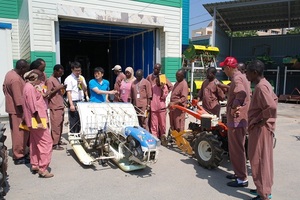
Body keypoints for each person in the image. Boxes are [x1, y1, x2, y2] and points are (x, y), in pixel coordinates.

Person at [246, 60, 278, 200]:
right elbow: (274, 100)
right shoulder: (264, 84)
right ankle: (262, 189)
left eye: (247, 71)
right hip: (262, 128)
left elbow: (271, 107)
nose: (246, 74)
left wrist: (260, 121)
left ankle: (264, 194)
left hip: (260, 130)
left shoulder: (261, 87)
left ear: (255, 73)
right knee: (262, 159)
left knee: (259, 159)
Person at [219, 56, 251, 188]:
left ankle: (242, 179)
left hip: (237, 120)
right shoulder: (241, 76)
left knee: (237, 149)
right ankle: (238, 173)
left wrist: (234, 107)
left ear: (229, 68)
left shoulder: (237, 78)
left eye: (224, 68)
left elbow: (241, 94)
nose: (223, 71)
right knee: (237, 148)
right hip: (239, 119)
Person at [23, 69, 54, 178]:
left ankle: (35, 164)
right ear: (34, 79)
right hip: (37, 119)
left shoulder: (28, 87)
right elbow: (33, 106)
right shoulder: (30, 88)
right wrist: (40, 121)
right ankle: (43, 168)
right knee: (47, 143)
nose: (41, 82)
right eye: (40, 79)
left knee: (35, 142)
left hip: (33, 120)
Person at [2, 59, 30, 165]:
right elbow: (19, 100)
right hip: (18, 111)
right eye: (26, 69)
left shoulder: (10, 73)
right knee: (20, 134)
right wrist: (24, 115)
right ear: (22, 68)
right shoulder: (16, 80)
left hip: (12, 108)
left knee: (17, 133)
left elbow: (4, 89)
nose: (27, 71)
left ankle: (20, 152)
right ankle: (19, 156)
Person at [45, 64, 67, 151]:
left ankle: (58, 140)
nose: (61, 75)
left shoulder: (56, 79)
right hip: (55, 106)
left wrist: (62, 89)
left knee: (60, 125)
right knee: (56, 126)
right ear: (55, 71)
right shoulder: (50, 80)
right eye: (60, 73)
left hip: (60, 105)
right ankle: (54, 144)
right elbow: (48, 94)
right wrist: (58, 88)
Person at [64, 61, 87, 133]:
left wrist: (82, 82)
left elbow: (85, 89)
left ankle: (79, 135)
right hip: (74, 101)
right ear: (72, 70)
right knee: (73, 120)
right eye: (76, 71)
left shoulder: (81, 77)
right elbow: (68, 92)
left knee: (81, 121)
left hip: (81, 101)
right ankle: (73, 135)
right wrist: (71, 105)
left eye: (79, 70)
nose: (78, 72)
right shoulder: (69, 79)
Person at [150, 77, 169, 146]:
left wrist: (162, 88)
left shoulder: (164, 87)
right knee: (154, 125)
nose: (158, 82)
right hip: (154, 108)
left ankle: (163, 139)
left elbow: (163, 97)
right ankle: (155, 139)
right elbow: (150, 96)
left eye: (159, 81)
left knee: (162, 125)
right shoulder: (153, 87)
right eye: (157, 81)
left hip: (161, 109)